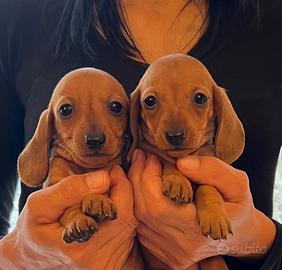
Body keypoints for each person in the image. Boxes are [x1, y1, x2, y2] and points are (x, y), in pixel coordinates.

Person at [0, 0, 281, 269]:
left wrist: (254, 239)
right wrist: (19, 256)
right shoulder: (17, 16)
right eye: (150, 103)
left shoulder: (272, 19)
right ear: (136, 118)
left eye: (114, 108)